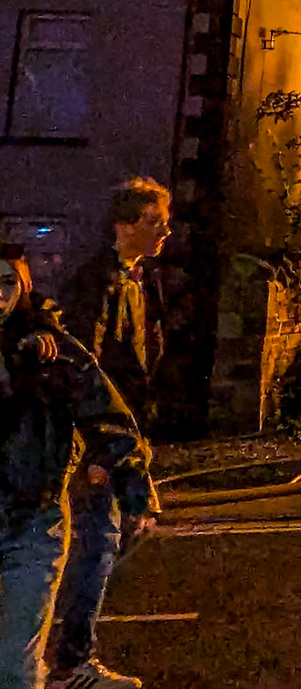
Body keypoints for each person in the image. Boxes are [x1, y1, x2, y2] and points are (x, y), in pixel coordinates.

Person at [0, 244, 156, 689]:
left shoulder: (53, 349)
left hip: (34, 519)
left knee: (15, 669)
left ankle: (69, 666)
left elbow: (106, 410)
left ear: (25, 286)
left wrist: (135, 489)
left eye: (8, 282)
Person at [47, 180, 168, 689]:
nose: (164, 230)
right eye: (153, 221)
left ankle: (58, 646)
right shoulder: (97, 283)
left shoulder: (140, 280)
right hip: (104, 437)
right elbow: (85, 368)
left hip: (125, 434)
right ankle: (70, 663)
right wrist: (97, 450)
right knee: (100, 540)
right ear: (124, 226)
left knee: (131, 527)